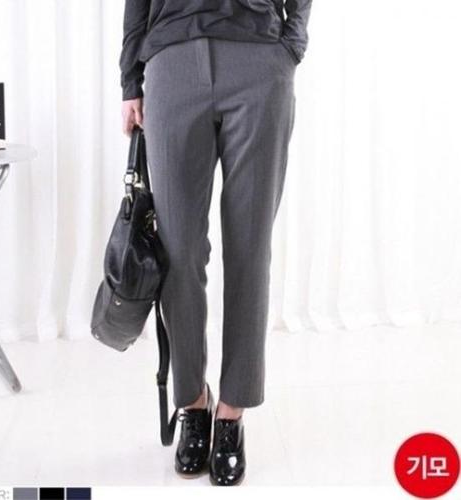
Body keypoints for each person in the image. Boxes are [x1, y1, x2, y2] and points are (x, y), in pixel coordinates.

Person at [120, 0, 312, 486]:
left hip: (259, 62)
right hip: (172, 62)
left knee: (250, 248)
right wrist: (130, 82)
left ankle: (232, 412)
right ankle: (192, 402)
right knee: (178, 252)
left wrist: (292, 42)